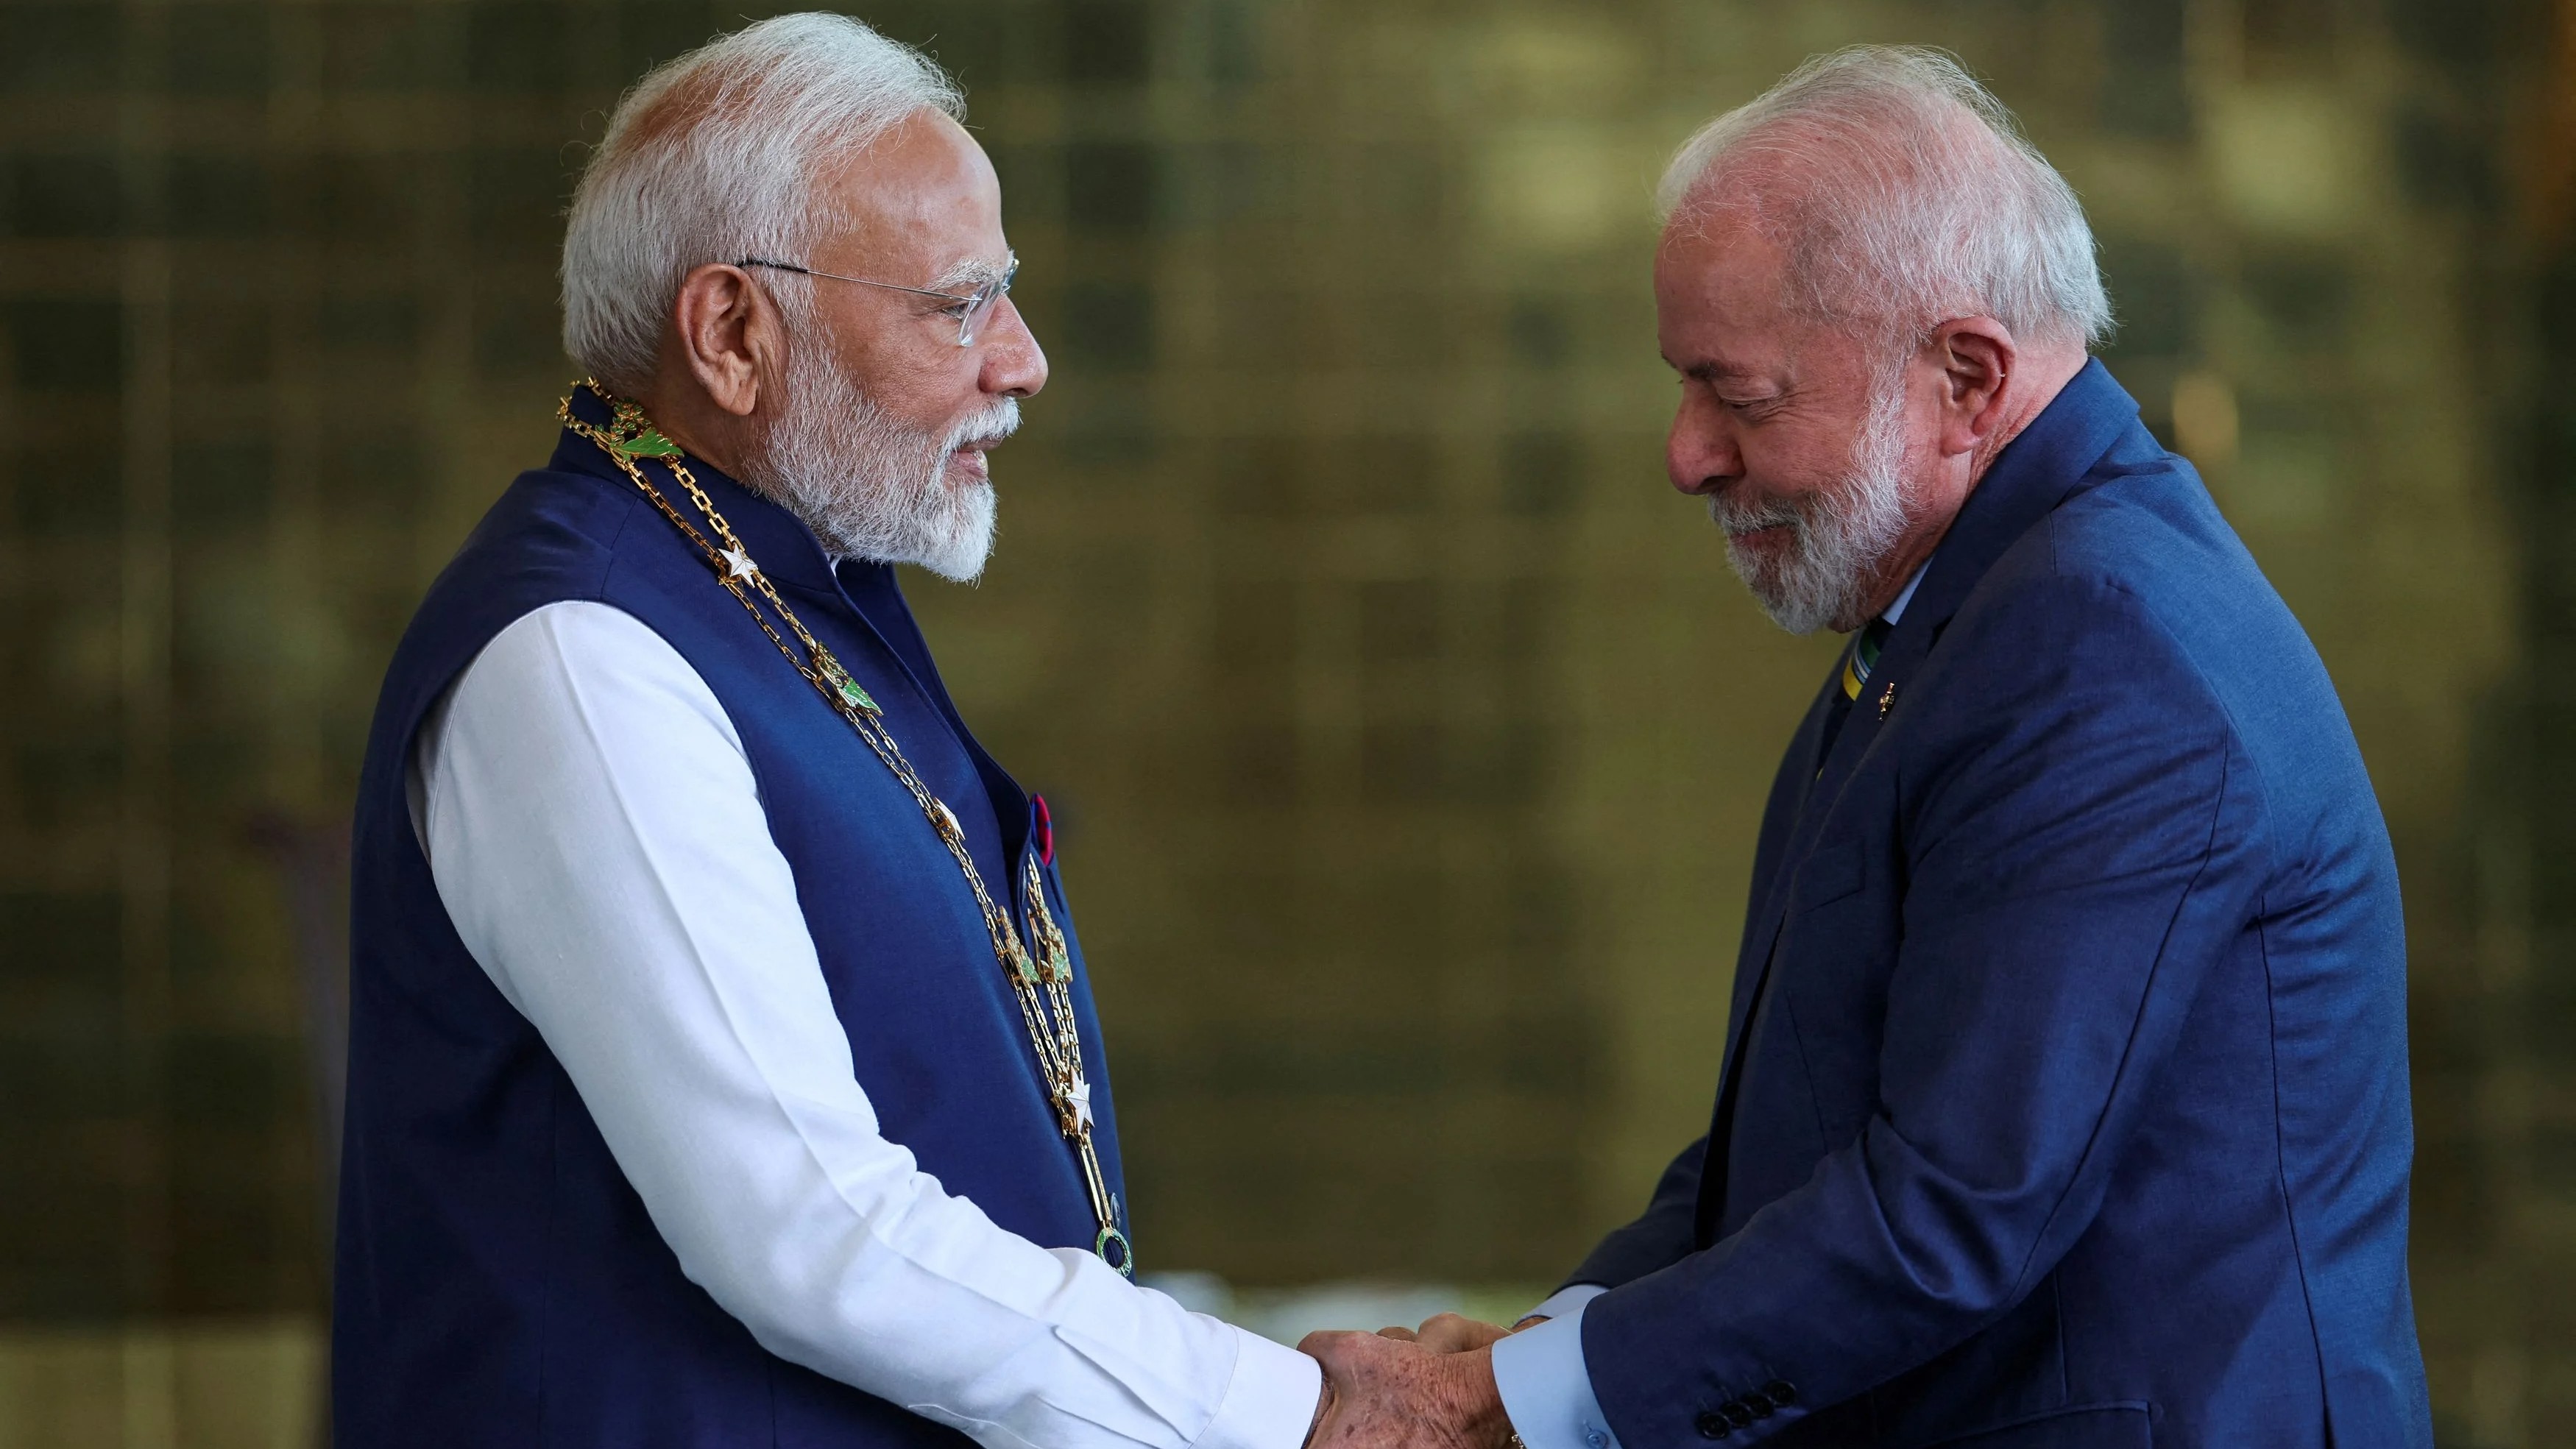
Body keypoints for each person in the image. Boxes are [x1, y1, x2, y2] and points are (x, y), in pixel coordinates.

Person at [1300, 46, 2432, 1449]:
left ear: (1965, 375)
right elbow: (1812, 1121)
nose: (1684, 453)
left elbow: (1951, 1209)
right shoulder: (1985, 605)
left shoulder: (2102, 646)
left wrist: (1506, 1410)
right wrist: (1565, 1341)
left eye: (1743, 396)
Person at [333, 15, 1326, 1448]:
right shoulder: (582, 654)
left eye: (1010, 295)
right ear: (733, 332)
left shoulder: (783, 591)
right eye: (958, 304)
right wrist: (1284, 1406)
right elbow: (808, 1231)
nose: (1026, 362)